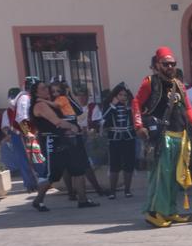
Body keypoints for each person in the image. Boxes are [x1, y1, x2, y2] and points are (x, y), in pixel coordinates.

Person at [132, 47, 192, 227]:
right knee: (161, 176)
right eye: (166, 64)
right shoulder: (149, 82)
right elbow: (136, 102)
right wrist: (138, 126)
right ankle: (153, 212)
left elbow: (188, 108)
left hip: (180, 136)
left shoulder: (179, 84)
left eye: (173, 64)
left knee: (174, 178)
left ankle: (169, 211)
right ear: (156, 65)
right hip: (162, 136)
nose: (170, 67)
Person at [27, 80, 98, 211]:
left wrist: (68, 94)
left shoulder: (55, 101)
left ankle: (82, 200)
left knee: (78, 169)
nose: (47, 90)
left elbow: (75, 111)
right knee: (53, 174)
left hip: (65, 140)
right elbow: (57, 122)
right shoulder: (40, 105)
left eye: (46, 88)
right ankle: (38, 200)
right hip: (52, 142)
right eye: (43, 89)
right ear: (36, 92)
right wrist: (73, 127)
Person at [101, 83, 136, 199]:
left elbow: (136, 117)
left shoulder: (130, 105)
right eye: (120, 95)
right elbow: (104, 118)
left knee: (128, 164)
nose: (122, 97)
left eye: (125, 95)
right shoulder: (109, 105)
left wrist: (129, 107)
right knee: (114, 165)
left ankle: (127, 190)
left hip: (128, 137)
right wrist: (113, 105)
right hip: (114, 138)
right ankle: (112, 191)